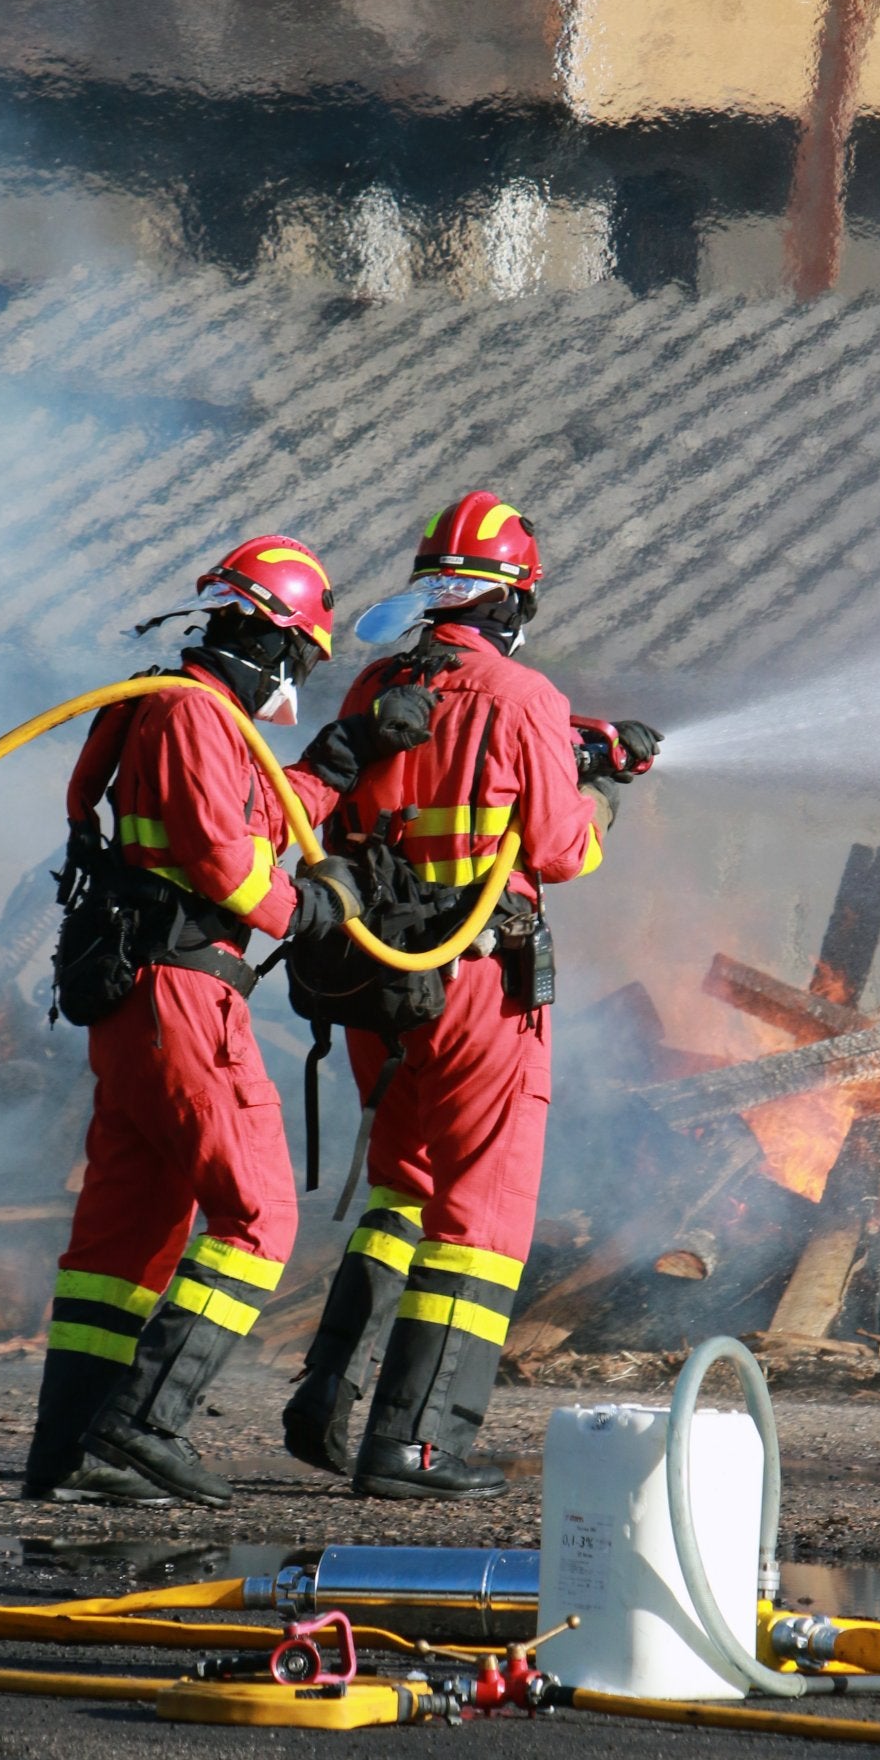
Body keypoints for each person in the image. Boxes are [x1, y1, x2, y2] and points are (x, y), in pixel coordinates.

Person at [21, 535, 435, 1508]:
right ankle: (145, 1420)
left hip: (142, 1006)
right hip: (183, 999)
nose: (298, 682)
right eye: (303, 661)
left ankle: (69, 1451)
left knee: (122, 1243)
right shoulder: (192, 715)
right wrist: (309, 913)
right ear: (277, 640)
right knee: (259, 1215)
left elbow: (256, 808)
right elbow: (224, 857)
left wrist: (342, 757)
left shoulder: (190, 714)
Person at [282, 492, 660, 1501]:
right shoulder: (524, 695)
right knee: (481, 1213)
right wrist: (605, 789)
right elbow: (559, 849)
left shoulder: (375, 686)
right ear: (512, 604)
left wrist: (568, 755)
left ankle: (327, 1397)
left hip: (379, 990)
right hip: (479, 985)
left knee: (400, 1189)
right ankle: (417, 1443)